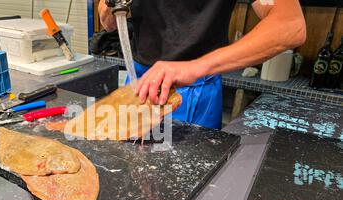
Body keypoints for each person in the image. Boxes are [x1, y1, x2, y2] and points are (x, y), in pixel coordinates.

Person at [99, 0, 306, 129]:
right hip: (136, 84)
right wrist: (111, 4)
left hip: (192, 89)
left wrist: (196, 66)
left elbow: (290, 24)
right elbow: (107, 22)